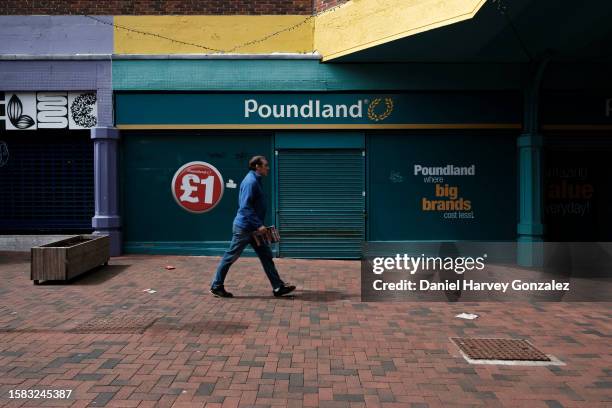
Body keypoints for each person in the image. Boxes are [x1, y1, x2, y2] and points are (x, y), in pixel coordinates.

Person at [210, 156, 296, 298]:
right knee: (231, 256)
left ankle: (278, 287)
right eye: (265, 165)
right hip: (245, 229)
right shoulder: (251, 182)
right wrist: (259, 224)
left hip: (255, 230)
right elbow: (245, 207)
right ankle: (216, 286)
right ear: (257, 166)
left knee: (266, 256)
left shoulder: (256, 180)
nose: (268, 168)